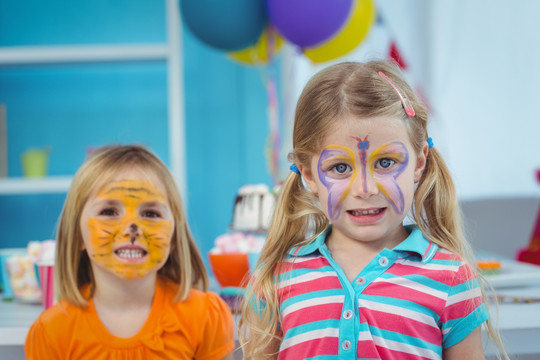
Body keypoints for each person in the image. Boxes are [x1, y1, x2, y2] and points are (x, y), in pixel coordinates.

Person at [239, 60, 507, 359]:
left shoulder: (452, 278)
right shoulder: (277, 277)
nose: (365, 189)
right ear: (309, 175)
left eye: (385, 163)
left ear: (419, 162)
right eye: (339, 167)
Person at [25, 145, 235, 359]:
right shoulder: (52, 331)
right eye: (109, 211)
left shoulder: (205, 317)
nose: (131, 227)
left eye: (151, 213)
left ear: (173, 238)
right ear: (78, 235)